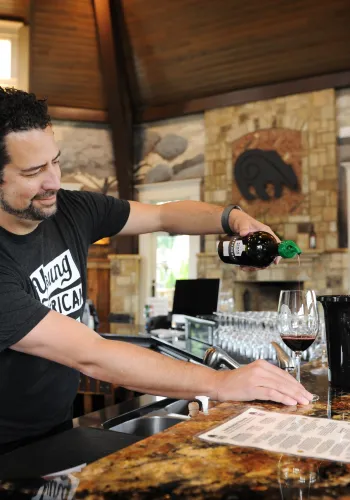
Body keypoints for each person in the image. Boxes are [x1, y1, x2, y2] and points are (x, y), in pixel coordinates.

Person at [0, 87, 312, 454]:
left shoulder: (71, 209)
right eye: (34, 171)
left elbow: (164, 215)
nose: (53, 181)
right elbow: (93, 354)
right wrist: (220, 382)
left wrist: (236, 218)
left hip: (55, 431)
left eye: (55, 162)